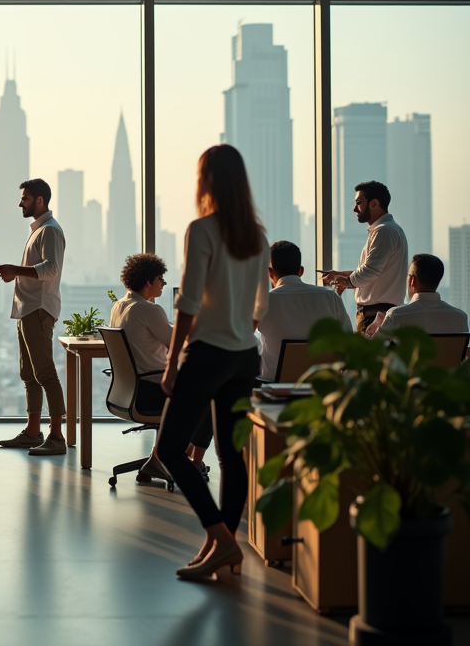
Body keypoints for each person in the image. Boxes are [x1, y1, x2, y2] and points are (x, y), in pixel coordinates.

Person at [155, 144, 269, 581]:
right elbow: (261, 304)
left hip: (207, 353)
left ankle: (220, 537)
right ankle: (222, 545)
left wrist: (172, 363)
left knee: (168, 448)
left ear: (208, 180)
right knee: (229, 454)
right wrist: (240, 327)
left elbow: (186, 300)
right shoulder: (256, 236)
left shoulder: (201, 229)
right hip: (244, 355)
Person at [110, 253, 212, 478]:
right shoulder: (149, 310)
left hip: (129, 391)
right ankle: (190, 462)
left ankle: (165, 457)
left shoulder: (119, 306)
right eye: (161, 279)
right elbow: (179, 341)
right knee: (209, 398)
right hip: (153, 390)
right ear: (149, 282)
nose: (164, 284)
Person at [0, 179, 68, 456]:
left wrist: (15, 269)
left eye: (24, 198)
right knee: (29, 375)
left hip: (38, 309)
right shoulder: (39, 230)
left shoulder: (49, 231)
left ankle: (57, 437)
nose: (20, 203)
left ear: (39, 200)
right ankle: (33, 431)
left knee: (45, 373)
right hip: (27, 309)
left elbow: (50, 269)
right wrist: (16, 272)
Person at [321, 181, 408, 334]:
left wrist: (348, 281)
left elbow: (371, 271)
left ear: (374, 203)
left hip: (375, 315)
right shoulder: (389, 230)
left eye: (359, 203)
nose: (355, 209)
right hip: (379, 312)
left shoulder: (384, 231)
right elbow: (373, 271)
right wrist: (342, 275)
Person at [258, 240, 352, 380]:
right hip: (321, 385)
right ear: (301, 271)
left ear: (270, 273)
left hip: (275, 386)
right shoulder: (330, 297)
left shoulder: (264, 301)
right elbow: (347, 340)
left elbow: (244, 340)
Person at [366, 254, 469, 337]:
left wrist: (376, 326)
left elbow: (375, 354)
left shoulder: (396, 315)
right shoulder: (460, 317)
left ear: (412, 280)